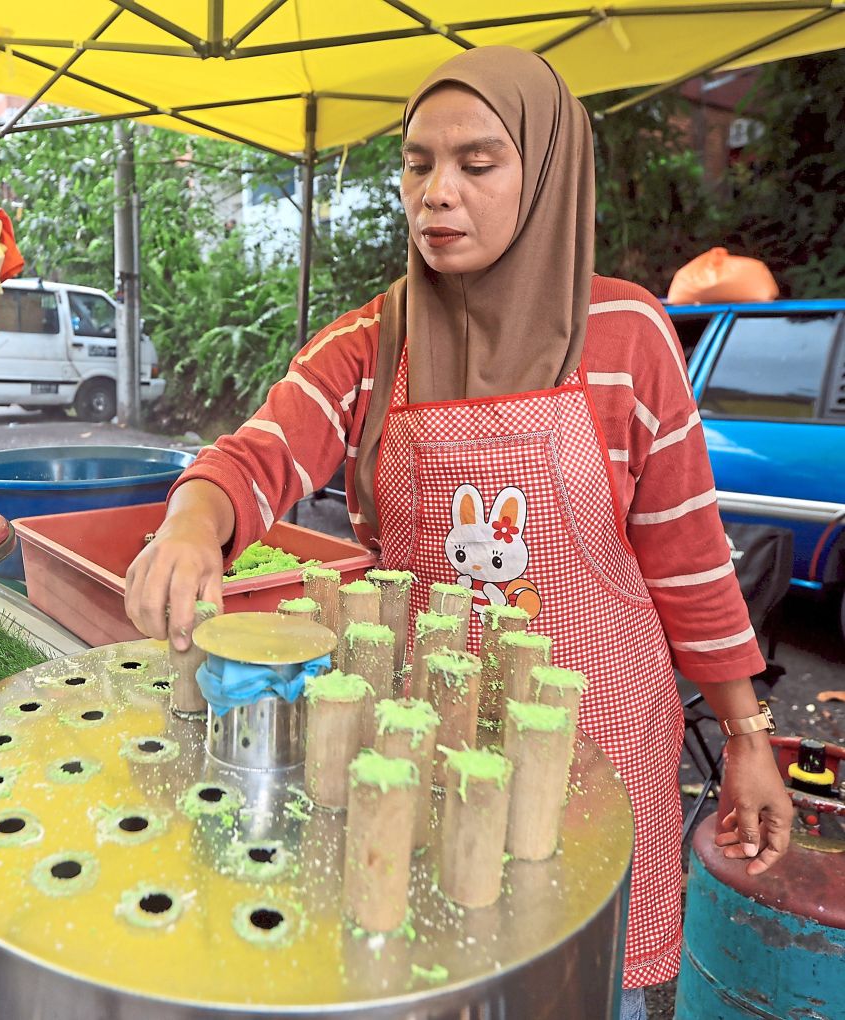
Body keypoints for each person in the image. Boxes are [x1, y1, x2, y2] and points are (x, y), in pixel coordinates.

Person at [125, 46, 793, 1018]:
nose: (436, 194)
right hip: (423, 754)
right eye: (416, 164)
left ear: (546, 169)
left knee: (580, 990)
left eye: (477, 164)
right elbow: (256, 455)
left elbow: (688, 558)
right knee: (431, 976)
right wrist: (193, 521)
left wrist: (746, 734)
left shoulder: (629, 337)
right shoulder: (369, 346)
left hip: (598, 751)